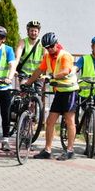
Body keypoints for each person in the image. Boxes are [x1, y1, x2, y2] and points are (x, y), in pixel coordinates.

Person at [24, 32, 79, 161]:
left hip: (70, 91)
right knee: (50, 121)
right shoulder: (48, 56)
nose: (50, 49)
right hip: (59, 91)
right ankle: (47, 150)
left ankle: (70, 150)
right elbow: (39, 70)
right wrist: (28, 83)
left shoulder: (65, 55)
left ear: (56, 43)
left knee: (69, 120)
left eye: (51, 46)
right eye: (47, 47)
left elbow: (66, 71)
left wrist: (52, 76)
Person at [15, 20, 44, 89]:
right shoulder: (23, 42)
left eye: (35, 31)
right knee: (24, 90)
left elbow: (47, 58)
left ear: (38, 32)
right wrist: (14, 69)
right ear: (28, 31)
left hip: (37, 74)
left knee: (38, 94)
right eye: (31, 31)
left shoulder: (42, 44)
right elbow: (17, 57)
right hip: (24, 73)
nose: (33, 33)